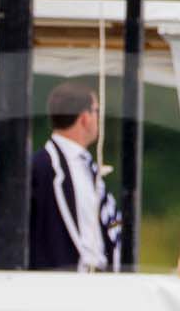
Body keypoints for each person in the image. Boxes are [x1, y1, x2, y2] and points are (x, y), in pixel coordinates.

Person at [29, 82, 120, 273]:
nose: (99, 118)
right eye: (97, 111)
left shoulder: (86, 166)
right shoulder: (43, 167)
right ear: (85, 118)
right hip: (65, 286)